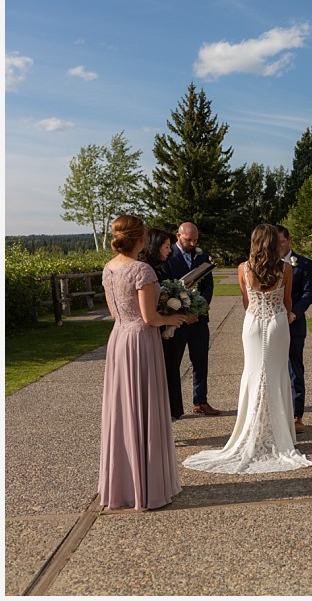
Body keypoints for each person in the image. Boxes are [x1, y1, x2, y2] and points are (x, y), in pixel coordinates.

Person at [183, 224, 312, 474]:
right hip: (277, 323)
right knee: (276, 375)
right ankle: (279, 432)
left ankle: (251, 426)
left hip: (253, 324)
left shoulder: (243, 268)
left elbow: (246, 301)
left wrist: (259, 313)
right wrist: (277, 316)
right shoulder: (286, 269)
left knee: (254, 375)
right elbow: (287, 304)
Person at [100, 215, 188, 510]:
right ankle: (148, 486)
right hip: (141, 340)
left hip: (119, 339)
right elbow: (150, 317)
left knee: (123, 409)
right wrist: (173, 317)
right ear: (140, 239)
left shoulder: (109, 268)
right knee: (145, 407)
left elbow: (115, 313)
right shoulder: (142, 270)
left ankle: (123, 486)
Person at [162, 222, 219, 416]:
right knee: (173, 363)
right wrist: (183, 315)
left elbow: (208, 287)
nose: (193, 243)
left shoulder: (202, 257)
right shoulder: (168, 257)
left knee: (201, 361)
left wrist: (198, 310)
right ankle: (170, 406)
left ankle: (200, 401)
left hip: (199, 319)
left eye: (196, 239)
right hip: (176, 320)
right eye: (189, 239)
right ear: (178, 236)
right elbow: (165, 288)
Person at [138, 227, 191, 420]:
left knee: (169, 371)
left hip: (163, 329)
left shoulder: (157, 268)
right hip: (154, 329)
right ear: (155, 246)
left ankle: (167, 416)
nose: (169, 250)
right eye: (166, 246)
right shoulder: (145, 270)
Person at [277, 226, 312, 434]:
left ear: (289, 240)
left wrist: (294, 313)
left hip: (294, 324)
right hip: (272, 325)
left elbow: (309, 293)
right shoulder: (268, 265)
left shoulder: (304, 264)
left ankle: (296, 415)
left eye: (281, 242)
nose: (278, 247)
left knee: (294, 369)